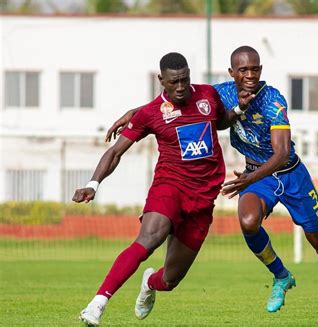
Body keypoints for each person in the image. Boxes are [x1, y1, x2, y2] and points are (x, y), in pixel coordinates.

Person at [106, 46, 318, 314]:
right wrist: (135, 113)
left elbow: (282, 153)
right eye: (244, 70)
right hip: (257, 176)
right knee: (249, 222)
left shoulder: (273, 101)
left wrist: (249, 178)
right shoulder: (222, 93)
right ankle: (281, 276)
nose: (250, 74)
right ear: (232, 73)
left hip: (291, 174)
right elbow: (176, 98)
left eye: (255, 69)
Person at [73, 52, 243, 326]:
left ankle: (149, 284)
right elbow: (116, 152)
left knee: (170, 279)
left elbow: (219, 119)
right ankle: (97, 303)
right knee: (150, 237)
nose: (180, 87)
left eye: (185, 80)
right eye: (174, 81)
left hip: (203, 198)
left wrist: (237, 112)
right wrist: (93, 184)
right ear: (161, 80)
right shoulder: (150, 114)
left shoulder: (208, 95)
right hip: (170, 185)